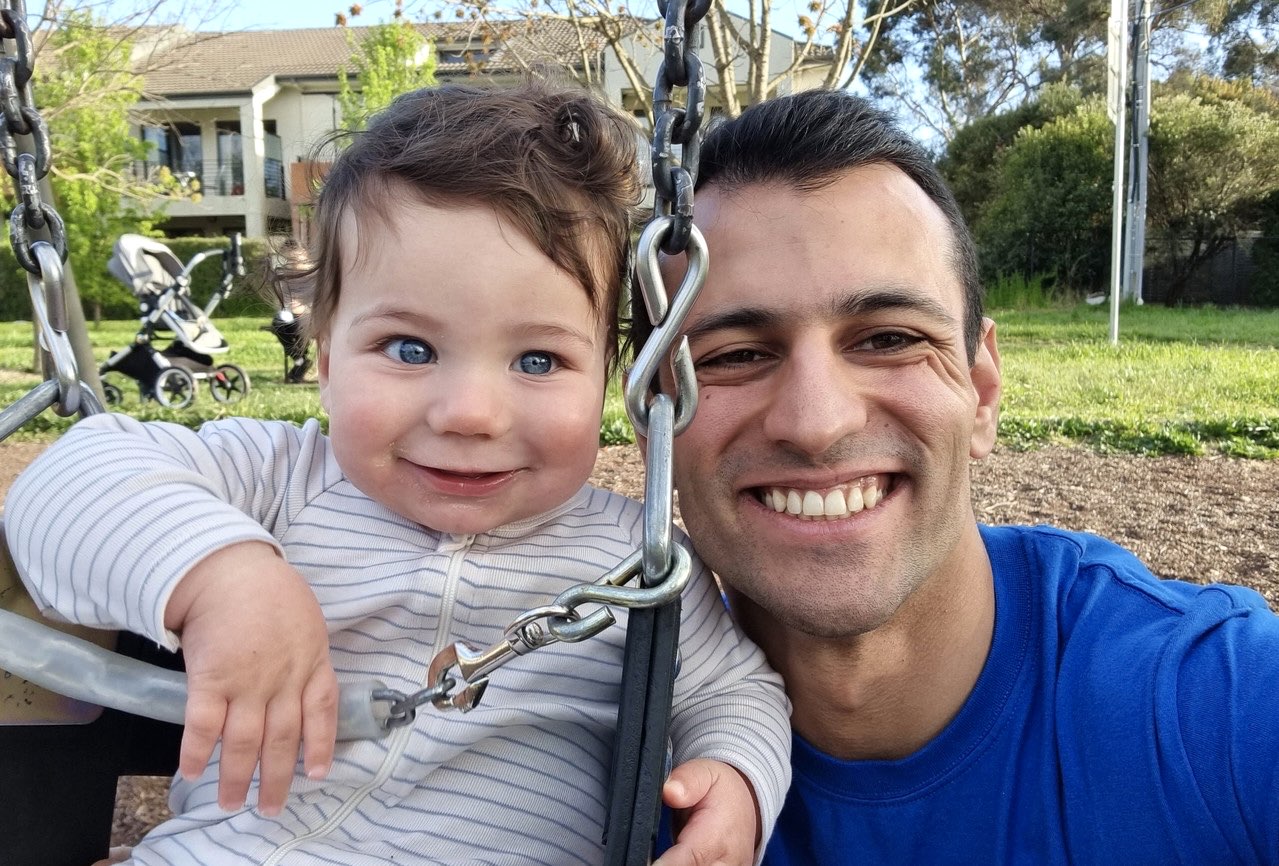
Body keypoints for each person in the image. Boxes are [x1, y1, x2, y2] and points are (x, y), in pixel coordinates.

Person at [6, 83, 790, 865]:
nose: (470, 413)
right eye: (410, 349)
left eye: (539, 359)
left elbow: (734, 692)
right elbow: (73, 476)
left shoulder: (635, 557)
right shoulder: (280, 477)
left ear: (610, 380)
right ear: (324, 363)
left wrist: (735, 780)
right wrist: (224, 578)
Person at [635, 88, 1279, 863]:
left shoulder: (1219, 705)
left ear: (980, 390)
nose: (816, 422)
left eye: (887, 339)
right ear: (651, 419)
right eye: (734, 355)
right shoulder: (571, 741)